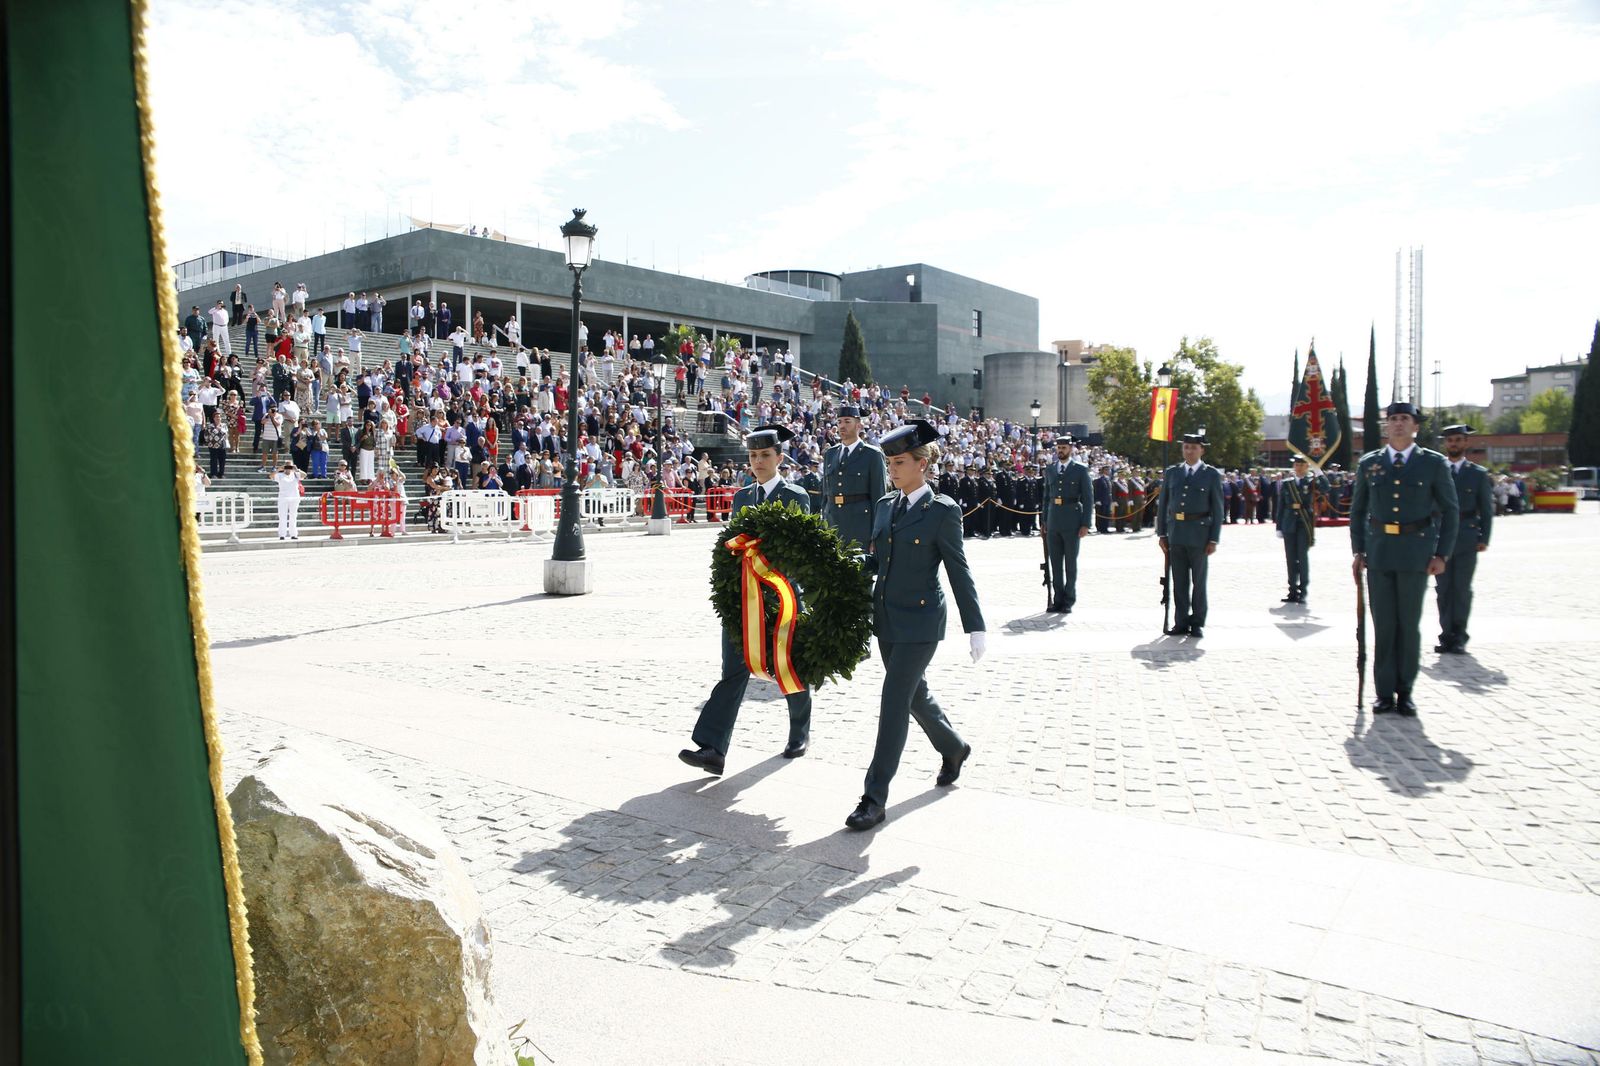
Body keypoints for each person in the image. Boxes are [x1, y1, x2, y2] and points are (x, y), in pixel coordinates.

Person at [846, 420, 985, 832]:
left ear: (922, 464)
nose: (892, 468)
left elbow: (958, 570)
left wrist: (974, 626)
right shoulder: (887, 505)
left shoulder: (942, 511)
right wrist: (850, 567)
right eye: (889, 461)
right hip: (887, 618)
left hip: (922, 623)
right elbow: (878, 561)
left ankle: (874, 797)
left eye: (900, 461)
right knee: (914, 696)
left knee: (894, 701)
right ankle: (954, 747)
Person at [678, 425, 815, 777]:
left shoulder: (796, 495)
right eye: (753, 456)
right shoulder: (742, 497)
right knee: (733, 670)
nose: (758, 462)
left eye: (765, 455)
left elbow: (800, 549)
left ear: (779, 458)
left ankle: (799, 732)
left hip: (779, 597)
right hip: (743, 598)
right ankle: (713, 748)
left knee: (788, 667)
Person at [1350, 402, 1459, 716]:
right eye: (1393, 419)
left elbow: (1450, 510)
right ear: (1387, 425)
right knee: (1384, 625)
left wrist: (1442, 553)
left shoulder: (1433, 464)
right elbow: (1358, 510)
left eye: (1404, 419)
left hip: (1416, 553)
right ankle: (1384, 692)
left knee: (1408, 626)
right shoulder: (1370, 463)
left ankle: (1405, 691)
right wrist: (1358, 551)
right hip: (1379, 554)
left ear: (1416, 426)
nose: (1398, 424)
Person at [1156, 432, 1225, 638]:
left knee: (1199, 582)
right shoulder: (1172, 473)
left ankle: (1197, 622)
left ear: (1202, 450)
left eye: (1194, 447)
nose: (1189, 450)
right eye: (1186, 447)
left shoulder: (1211, 474)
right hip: (1176, 533)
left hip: (1200, 534)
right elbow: (1163, 506)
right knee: (1179, 581)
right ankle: (1181, 621)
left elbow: (1218, 509)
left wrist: (1214, 538)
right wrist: (1162, 533)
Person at [1433, 424, 1492, 654]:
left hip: (1467, 536)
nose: (1454, 444)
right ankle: (1446, 634)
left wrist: (1484, 537)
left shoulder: (1477, 474)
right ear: (1445, 444)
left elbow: (1486, 509)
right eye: (1450, 441)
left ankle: (1459, 635)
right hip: (1440, 537)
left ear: (1466, 443)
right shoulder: (1437, 471)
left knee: (1462, 589)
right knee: (1443, 589)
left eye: (1458, 440)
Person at [820, 404, 886, 551]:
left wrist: (876, 535)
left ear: (859, 426)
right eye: (839, 422)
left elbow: (879, 497)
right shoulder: (830, 454)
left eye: (847, 421)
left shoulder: (872, 455)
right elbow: (825, 493)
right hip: (832, 524)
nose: (842, 426)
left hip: (859, 527)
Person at [1042, 435, 1093, 613]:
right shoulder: (1050, 469)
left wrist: (1086, 523)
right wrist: (1044, 520)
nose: (1061, 450)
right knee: (1055, 563)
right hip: (1054, 519)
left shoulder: (1080, 470)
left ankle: (1068, 600)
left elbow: (1088, 498)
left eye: (1064, 447)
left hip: (1072, 519)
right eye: (1059, 448)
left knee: (1070, 563)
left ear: (1070, 449)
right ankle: (1057, 599)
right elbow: (1046, 497)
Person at [1275, 457, 1330, 604]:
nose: (1299, 467)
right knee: (1291, 558)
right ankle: (1292, 590)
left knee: (1302, 557)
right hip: (1288, 523)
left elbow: (1326, 487)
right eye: (1296, 464)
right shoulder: (1287, 483)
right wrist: (1279, 526)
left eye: (1302, 465)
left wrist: (1318, 471)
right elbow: (1280, 506)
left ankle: (1303, 591)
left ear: (1307, 466)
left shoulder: (1311, 482)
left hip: (1304, 522)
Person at [273, 460, 304, 540]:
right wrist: (278, 469)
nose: (288, 468)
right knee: (282, 516)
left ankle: (293, 534)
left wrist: (297, 469)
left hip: (294, 498)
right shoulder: (280, 475)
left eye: (290, 466)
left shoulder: (296, 474)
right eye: (286, 466)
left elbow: (305, 475)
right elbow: (271, 476)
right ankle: (282, 535)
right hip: (283, 498)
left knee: (293, 516)